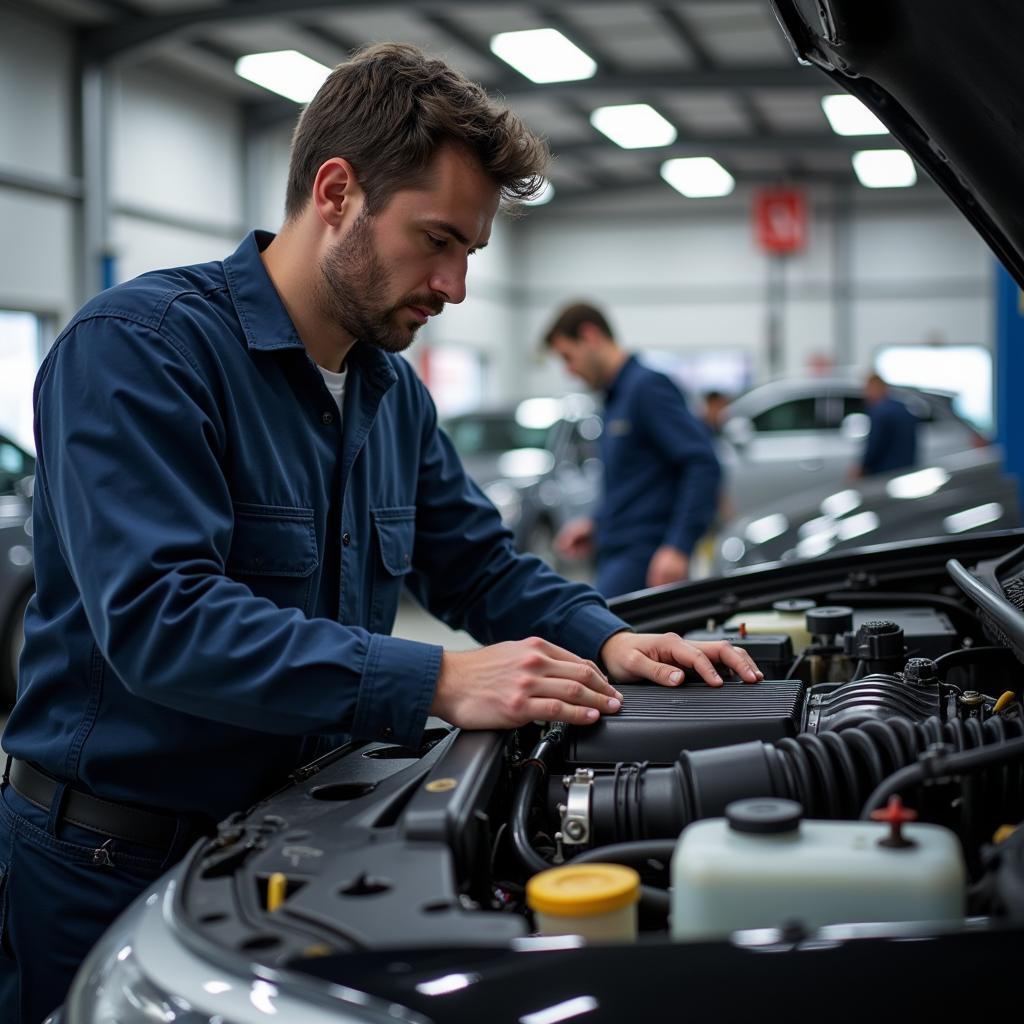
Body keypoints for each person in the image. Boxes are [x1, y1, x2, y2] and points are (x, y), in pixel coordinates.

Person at [0, 44, 761, 1022]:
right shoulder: (139, 352)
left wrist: (607, 635)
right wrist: (437, 679)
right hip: (108, 858)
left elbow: (476, 565)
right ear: (336, 191)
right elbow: (161, 620)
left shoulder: (389, 392)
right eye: (436, 239)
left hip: (289, 836)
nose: (454, 286)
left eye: (471, 254)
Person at [544, 303, 722, 597]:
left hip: (646, 560)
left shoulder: (647, 388)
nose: (569, 370)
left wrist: (678, 546)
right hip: (616, 551)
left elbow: (701, 463)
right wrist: (595, 524)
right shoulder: (615, 397)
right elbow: (634, 481)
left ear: (590, 336)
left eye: (568, 357)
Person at [854, 372, 919, 478]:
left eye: (867, 389)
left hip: (884, 471)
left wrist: (863, 467)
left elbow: (875, 444)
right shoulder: (903, 408)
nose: (865, 394)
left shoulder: (880, 412)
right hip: (906, 468)